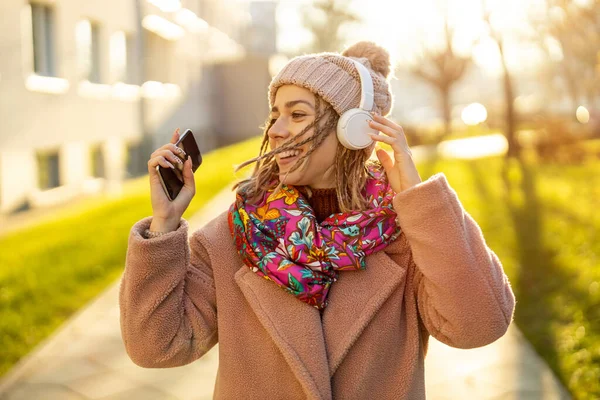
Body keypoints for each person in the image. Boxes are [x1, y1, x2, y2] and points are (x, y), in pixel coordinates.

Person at [119, 41, 516, 399]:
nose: (275, 130)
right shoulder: (233, 237)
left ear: (352, 131)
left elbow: (479, 325)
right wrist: (164, 226)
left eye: (297, 114)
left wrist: (419, 198)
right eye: (275, 115)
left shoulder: (410, 236)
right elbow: (157, 346)